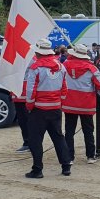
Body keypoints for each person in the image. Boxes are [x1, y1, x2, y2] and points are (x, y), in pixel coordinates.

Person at [25, 38, 71, 178]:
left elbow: (30, 90)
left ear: (38, 52)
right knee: (58, 137)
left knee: (35, 139)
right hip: (55, 107)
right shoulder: (60, 66)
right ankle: (66, 166)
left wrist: (29, 105)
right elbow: (65, 88)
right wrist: (59, 102)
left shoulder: (35, 67)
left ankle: (37, 169)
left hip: (39, 109)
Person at [63, 43, 100, 164]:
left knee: (69, 131)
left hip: (69, 104)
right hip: (86, 105)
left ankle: (69, 157)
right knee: (88, 131)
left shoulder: (64, 65)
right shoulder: (92, 68)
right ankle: (90, 156)